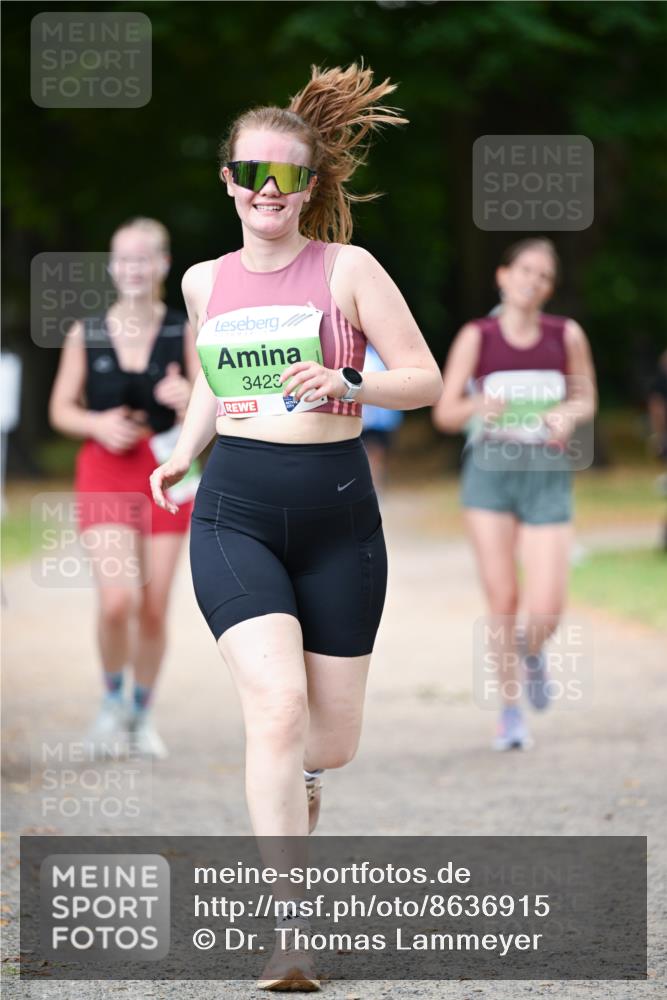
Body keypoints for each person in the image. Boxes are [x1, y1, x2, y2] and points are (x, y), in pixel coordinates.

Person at [149, 63, 442, 989]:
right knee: (274, 710)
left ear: (308, 187)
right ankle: (290, 934)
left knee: (326, 741)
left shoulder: (346, 268)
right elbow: (209, 381)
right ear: (228, 180)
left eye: (285, 177)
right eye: (250, 174)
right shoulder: (204, 282)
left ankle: (304, 782)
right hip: (233, 510)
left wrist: (349, 381)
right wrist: (181, 451)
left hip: (338, 517)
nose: (265, 192)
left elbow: (425, 379)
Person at [432, 238, 597, 751]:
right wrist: (480, 404)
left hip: (546, 470)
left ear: (550, 288)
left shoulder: (565, 335)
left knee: (548, 605)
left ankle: (530, 650)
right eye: (524, 270)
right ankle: (509, 711)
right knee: (503, 597)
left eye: (544, 276)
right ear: (503, 276)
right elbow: (444, 412)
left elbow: (586, 396)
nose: (532, 280)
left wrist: (566, 415)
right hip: (490, 472)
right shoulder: (476, 336)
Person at [49, 217, 199, 759]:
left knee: (154, 607)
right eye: (123, 259)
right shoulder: (85, 332)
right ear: (112, 267)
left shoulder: (183, 331)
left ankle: (142, 712)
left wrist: (187, 396)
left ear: (162, 264)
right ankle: (112, 701)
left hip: (169, 469)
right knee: (118, 602)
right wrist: (97, 424)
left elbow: (212, 403)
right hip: (106, 471)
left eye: (144, 258)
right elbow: (61, 409)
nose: (133, 268)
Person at [360, 342, 404, 493]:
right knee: (370, 452)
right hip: (368, 415)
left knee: (375, 453)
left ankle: (374, 487)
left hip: (379, 417)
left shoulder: (379, 354)